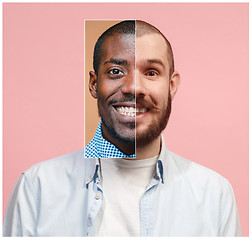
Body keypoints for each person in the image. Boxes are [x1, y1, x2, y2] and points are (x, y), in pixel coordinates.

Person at [3, 20, 241, 237]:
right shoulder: (37, 188)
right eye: (116, 72)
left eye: (151, 72)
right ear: (95, 84)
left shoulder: (214, 194)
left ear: (171, 86)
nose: (134, 88)